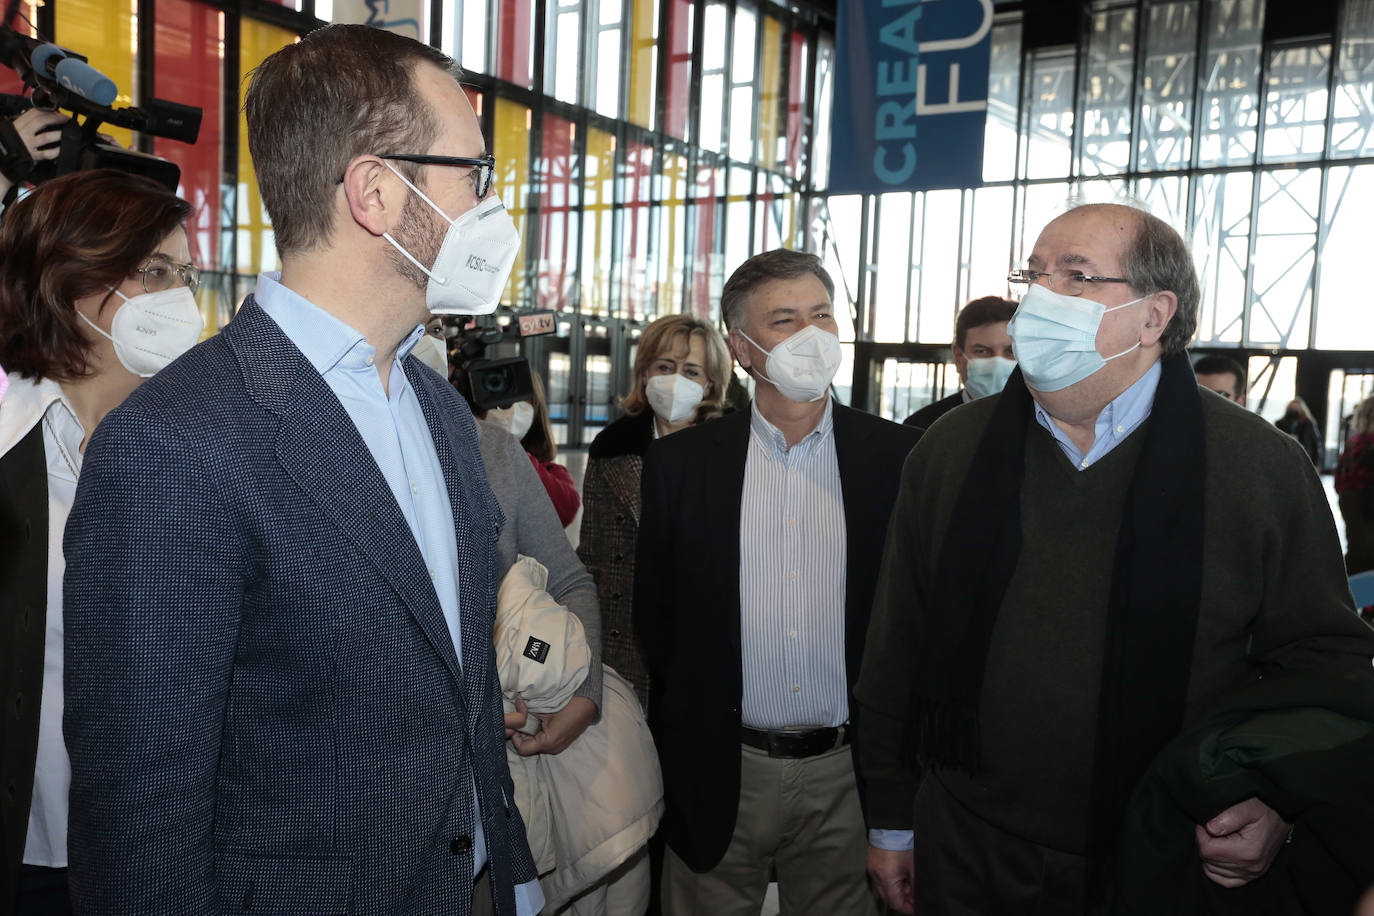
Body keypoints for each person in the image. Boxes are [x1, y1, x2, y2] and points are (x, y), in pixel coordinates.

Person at [60, 25, 540, 915]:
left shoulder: (437, 409)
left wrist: (509, 878)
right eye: (472, 175)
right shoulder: (176, 445)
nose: (488, 207)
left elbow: (458, 696)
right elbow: (140, 825)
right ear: (376, 192)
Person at [856, 202, 1374, 915]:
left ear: (1153, 315)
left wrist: (1276, 802)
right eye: (1033, 275)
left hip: (1169, 843)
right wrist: (890, 818)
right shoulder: (950, 450)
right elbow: (897, 645)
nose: (1038, 298)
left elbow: (1323, 662)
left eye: (1075, 276)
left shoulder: (1260, 466)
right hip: (969, 841)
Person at [634, 249, 921, 915]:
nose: (811, 335)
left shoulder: (897, 458)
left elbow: (910, 623)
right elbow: (660, 620)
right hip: (723, 765)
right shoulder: (680, 466)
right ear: (741, 347)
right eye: (785, 320)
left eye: (822, 315)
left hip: (848, 774)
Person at [0, 170, 198, 914]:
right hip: (28, 864)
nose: (181, 296)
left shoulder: (201, 455)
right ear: (66, 283)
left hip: (163, 861)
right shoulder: (6, 454)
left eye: (184, 272)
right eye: (153, 271)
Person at [577, 313, 731, 707]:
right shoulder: (612, 447)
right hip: (625, 640)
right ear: (645, 373)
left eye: (692, 370)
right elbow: (592, 555)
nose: (677, 379)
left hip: (709, 636)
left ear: (710, 385)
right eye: (666, 366)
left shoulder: (734, 450)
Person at [903, 296, 1017, 429]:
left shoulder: (1044, 423)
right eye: (982, 351)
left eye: (1011, 352)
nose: (998, 363)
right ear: (958, 356)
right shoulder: (922, 426)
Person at [1336, 396, 1374, 575]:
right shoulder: (1365, 444)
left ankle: (1349, 597)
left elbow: (1340, 478)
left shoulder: (1353, 443)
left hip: (1349, 500)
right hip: (1364, 502)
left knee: (1356, 551)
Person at [1277, 397, 1322, 467]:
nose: (1294, 410)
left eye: (1296, 408)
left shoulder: (1309, 424)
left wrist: (1316, 464)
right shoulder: (1280, 423)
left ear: (1302, 409)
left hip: (1304, 457)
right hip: (1284, 458)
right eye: (1292, 408)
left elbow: (1315, 444)